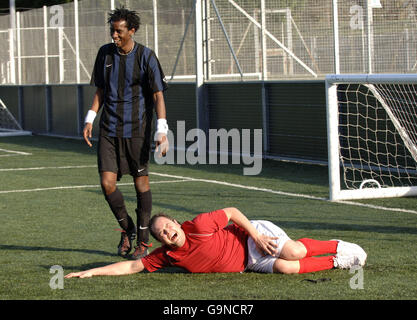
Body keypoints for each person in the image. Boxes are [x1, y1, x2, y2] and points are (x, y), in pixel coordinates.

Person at [82, 7, 169, 260]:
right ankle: (128, 228)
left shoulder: (146, 57)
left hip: (138, 131)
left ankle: (143, 242)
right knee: (106, 184)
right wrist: (90, 118)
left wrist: (161, 130)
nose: (114, 35)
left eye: (119, 31)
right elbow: (100, 90)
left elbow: (158, 95)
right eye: (112, 30)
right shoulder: (105, 54)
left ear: (132, 30)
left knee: (141, 184)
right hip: (109, 129)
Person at [65, 207, 367, 278]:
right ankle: (336, 261)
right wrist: (90, 272)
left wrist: (256, 234)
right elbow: (132, 265)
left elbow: (233, 212)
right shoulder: (167, 256)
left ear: (175, 222)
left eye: (168, 226)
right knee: (289, 269)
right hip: (249, 263)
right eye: (162, 234)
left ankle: (336, 244)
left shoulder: (197, 225)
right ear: (161, 240)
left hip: (251, 237)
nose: (168, 233)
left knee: (294, 250)